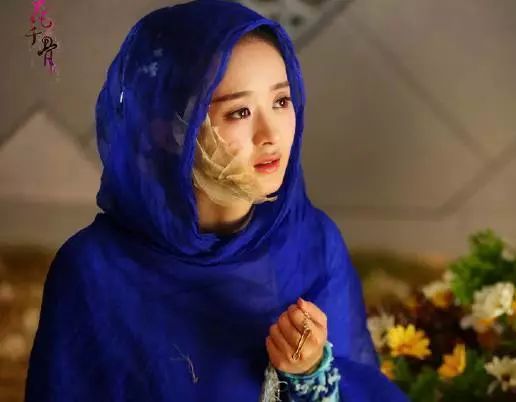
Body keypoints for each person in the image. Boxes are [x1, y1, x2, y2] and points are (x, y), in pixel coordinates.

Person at [24, 1, 409, 401]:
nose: (271, 135)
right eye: (239, 112)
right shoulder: (93, 269)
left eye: (281, 101)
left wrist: (310, 375)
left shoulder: (313, 244)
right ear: (168, 130)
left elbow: (357, 384)